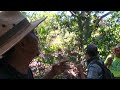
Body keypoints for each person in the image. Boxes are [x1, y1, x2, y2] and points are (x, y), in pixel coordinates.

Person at [0, 11, 68, 79]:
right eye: (33, 32)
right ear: (23, 43)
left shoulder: (22, 69)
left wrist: (52, 73)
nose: (37, 37)